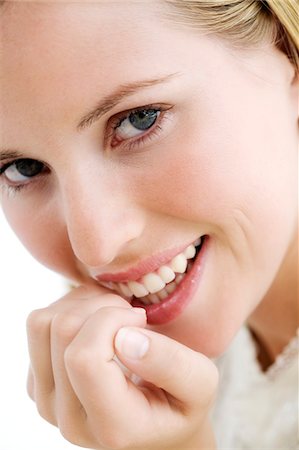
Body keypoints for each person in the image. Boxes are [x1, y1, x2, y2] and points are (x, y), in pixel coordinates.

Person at [0, 0, 298, 448]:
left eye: (139, 120)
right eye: (23, 168)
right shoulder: (137, 383)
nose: (96, 245)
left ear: (287, 56)